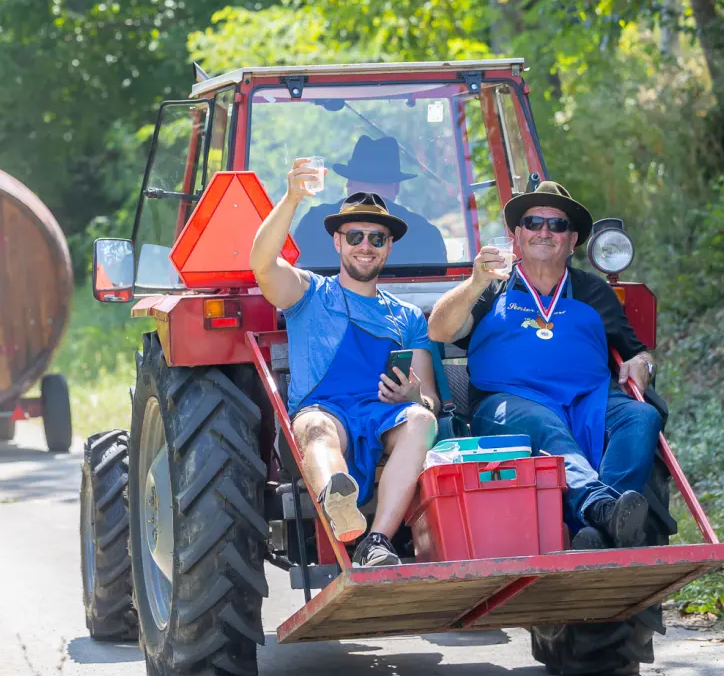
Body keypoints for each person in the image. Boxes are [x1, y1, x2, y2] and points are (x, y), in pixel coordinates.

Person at [427, 181, 662, 550]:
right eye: (534, 222)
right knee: (543, 423)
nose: (544, 231)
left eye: (557, 225)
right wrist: (474, 282)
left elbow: (636, 350)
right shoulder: (492, 287)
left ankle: (601, 530)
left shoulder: (594, 291)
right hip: (507, 403)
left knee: (642, 417)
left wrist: (642, 362)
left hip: (588, 400)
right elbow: (439, 330)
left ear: (572, 241)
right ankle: (599, 506)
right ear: (517, 235)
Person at [251, 162, 439, 566]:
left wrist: (414, 396)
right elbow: (263, 265)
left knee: (422, 422)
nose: (365, 245)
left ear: (388, 246)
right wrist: (292, 198)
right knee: (315, 428)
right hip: (324, 410)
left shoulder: (407, 316)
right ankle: (339, 502)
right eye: (355, 236)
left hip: (382, 414)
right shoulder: (308, 292)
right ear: (338, 242)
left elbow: (430, 401)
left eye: (376, 238)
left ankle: (376, 542)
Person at [293, 135, 448, 268]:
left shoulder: (314, 221)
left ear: (349, 183)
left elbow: (290, 273)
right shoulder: (426, 233)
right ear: (396, 188)